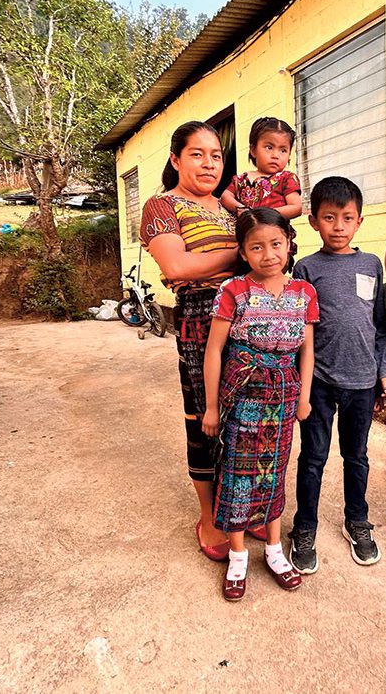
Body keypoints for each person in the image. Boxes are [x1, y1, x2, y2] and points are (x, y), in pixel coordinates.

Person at [201, 208, 317, 601]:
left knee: (273, 470)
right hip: (244, 390)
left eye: (276, 244)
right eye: (256, 247)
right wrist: (213, 408)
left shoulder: (304, 293)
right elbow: (214, 351)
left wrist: (303, 397)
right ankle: (237, 556)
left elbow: (307, 351)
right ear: (243, 252)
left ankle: (272, 549)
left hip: (284, 392)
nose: (268, 254)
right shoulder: (233, 291)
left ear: (288, 243)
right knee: (237, 472)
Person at [140, 121, 240, 563]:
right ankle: (210, 515)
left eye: (216, 155)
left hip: (250, 315)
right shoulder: (161, 206)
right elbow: (178, 267)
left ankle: (241, 503)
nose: (208, 163)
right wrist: (244, 252)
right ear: (176, 159)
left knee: (247, 415)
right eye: (197, 154)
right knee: (205, 418)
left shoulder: (234, 208)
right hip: (200, 317)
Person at [288, 176, 386, 572]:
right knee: (313, 457)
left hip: (363, 381)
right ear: (313, 221)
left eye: (347, 218)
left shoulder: (371, 265)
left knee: (357, 456)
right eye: (329, 217)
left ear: (360, 221)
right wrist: (298, 381)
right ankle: (304, 527)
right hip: (318, 382)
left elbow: (379, 325)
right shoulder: (306, 267)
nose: (338, 226)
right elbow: (298, 329)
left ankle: (357, 521)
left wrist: (384, 367)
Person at [218, 117, 303, 219]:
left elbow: (296, 208)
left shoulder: (287, 178)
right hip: (247, 232)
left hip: (275, 232)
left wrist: (263, 214)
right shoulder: (241, 180)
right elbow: (225, 197)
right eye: (269, 148)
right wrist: (242, 209)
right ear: (253, 150)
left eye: (283, 150)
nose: (275, 155)